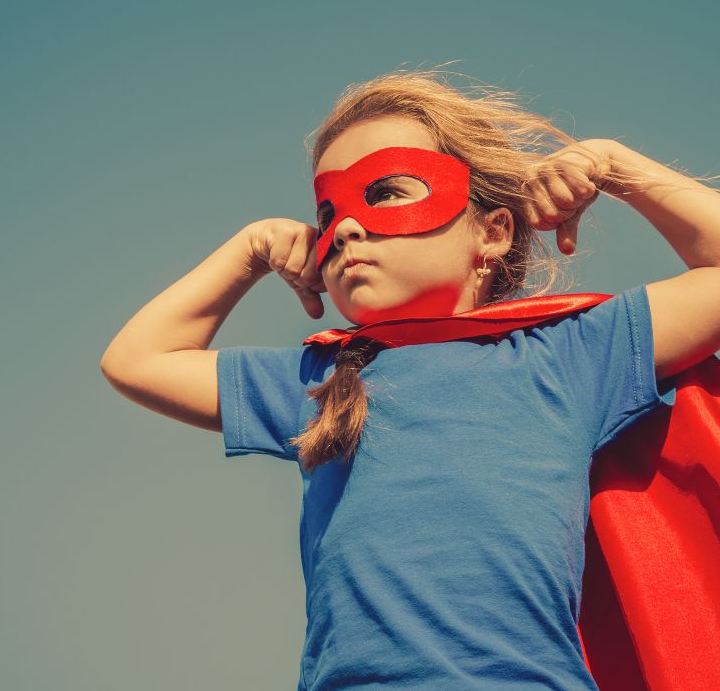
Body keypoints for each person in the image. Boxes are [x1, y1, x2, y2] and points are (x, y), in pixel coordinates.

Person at [100, 69, 720, 690]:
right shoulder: (319, 382)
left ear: (493, 233)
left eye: (389, 191)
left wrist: (616, 166)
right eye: (327, 210)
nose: (341, 228)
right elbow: (137, 359)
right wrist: (249, 250)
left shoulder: (569, 354)